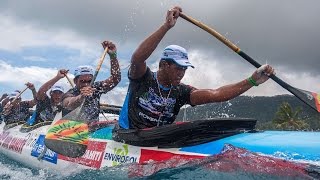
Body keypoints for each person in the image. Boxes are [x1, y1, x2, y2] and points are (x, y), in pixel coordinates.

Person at [119, 6, 275, 129]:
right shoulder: (142, 78)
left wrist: (252, 81)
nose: (182, 73)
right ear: (164, 65)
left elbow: (216, 94)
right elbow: (137, 59)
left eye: (185, 69)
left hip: (159, 140)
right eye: (178, 68)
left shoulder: (180, 91)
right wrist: (166, 27)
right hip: (128, 136)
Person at [62, 40, 121, 122]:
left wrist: (113, 57)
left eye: (89, 81)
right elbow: (69, 104)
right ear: (75, 81)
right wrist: (81, 97)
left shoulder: (95, 88)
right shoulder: (69, 93)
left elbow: (116, 79)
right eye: (82, 81)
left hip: (93, 130)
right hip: (71, 131)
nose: (86, 84)